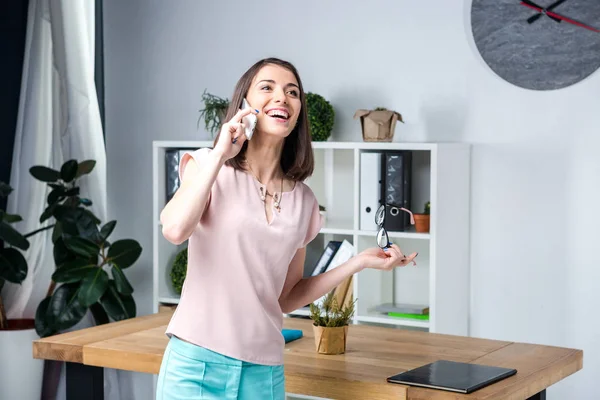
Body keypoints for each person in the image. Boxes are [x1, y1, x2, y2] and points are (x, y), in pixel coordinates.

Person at [156, 57, 418, 400]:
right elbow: (175, 229)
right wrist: (221, 153)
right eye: (267, 88)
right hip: (196, 366)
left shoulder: (304, 202)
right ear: (245, 105)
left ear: (297, 115)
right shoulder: (208, 164)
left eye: (292, 92)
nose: (282, 97)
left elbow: (287, 297)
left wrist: (358, 263)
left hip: (263, 374)